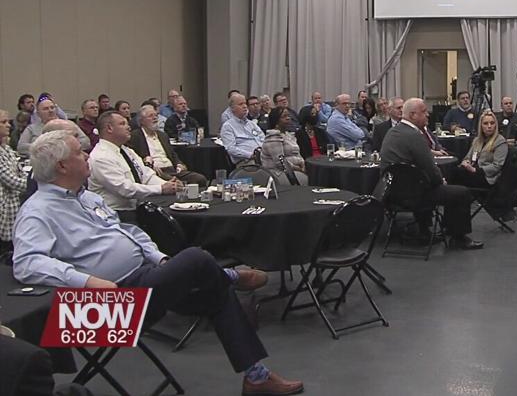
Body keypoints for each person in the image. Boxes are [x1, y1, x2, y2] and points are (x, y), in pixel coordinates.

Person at [12, 130, 304, 395]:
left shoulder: (86, 198)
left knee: (211, 284)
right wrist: (85, 281)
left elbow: (128, 232)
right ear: (62, 166)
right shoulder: (39, 211)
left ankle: (256, 375)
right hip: (112, 302)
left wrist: (160, 258)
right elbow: (27, 263)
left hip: (147, 277)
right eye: (78, 152)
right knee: (196, 258)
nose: (86, 155)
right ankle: (230, 277)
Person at [380, 98, 483, 250]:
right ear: (413, 115)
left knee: (427, 184)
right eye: (423, 112)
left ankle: (424, 232)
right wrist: (441, 181)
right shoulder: (414, 136)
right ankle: (458, 237)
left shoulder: (392, 132)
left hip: (392, 193)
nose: (428, 114)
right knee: (461, 193)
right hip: (413, 195)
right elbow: (430, 167)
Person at [88, 111, 178, 222]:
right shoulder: (101, 157)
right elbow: (125, 189)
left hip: (137, 207)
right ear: (109, 128)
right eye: (122, 124)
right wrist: (161, 189)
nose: (128, 127)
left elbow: (146, 175)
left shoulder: (126, 151)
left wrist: (168, 185)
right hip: (115, 214)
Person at [129, 105, 207, 186]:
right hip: (156, 171)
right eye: (150, 116)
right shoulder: (135, 136)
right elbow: (133, 157)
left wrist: (179, 164)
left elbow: (173, 154)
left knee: (200, 179)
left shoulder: (163, 135)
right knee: (174, 182)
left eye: (156, 115)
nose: (155, 118)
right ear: (141, 120)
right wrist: (147, 165)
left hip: (172, 170)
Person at [452, 110, 508, 190]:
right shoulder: (477, 140)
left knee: (457, 175)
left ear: (496, 125)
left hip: (486, 176)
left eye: (492, 123)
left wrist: (476, 170)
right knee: (454, 171)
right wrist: (466, 162)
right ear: (481, 126)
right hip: (472, 171)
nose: (489, 126)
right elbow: (467, 157)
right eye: (485, 123)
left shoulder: (500, 141)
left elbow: (497, 166)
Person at [18, 97, 90, 157]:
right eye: (46, 109)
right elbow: (21, 147)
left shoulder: (69, 124)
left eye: (52, 108)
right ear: (38, 113)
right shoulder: (31, 128)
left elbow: (86, 142)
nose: (50, 110)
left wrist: (65, 147)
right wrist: (47, 148)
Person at [0, 109, 28, 254]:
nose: (9, 125)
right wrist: (34, 185)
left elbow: (20, 172)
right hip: (4, 213)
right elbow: (13, 181)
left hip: (14, 208)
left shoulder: (6, 149)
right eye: (3, 122)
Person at [261, 108, 308, 185]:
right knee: (311, 179)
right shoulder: (273, 137)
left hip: (293, 169)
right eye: (284, 116)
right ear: (276, 121)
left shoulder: (288, 135)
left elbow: (297, 154)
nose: (288, 118)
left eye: (288, 116)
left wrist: (303, 163)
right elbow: (280, 163)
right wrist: (299, 169)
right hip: (278, 173)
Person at [220, 93, 264, 164]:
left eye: (245, 103)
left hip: (263, 157)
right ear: (232, 108)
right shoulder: (228, 126)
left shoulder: (252, 124)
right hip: (246, 161)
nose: (244, 106)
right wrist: (250, 155)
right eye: (240, 104)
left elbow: (263, 139)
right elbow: (231, 149)